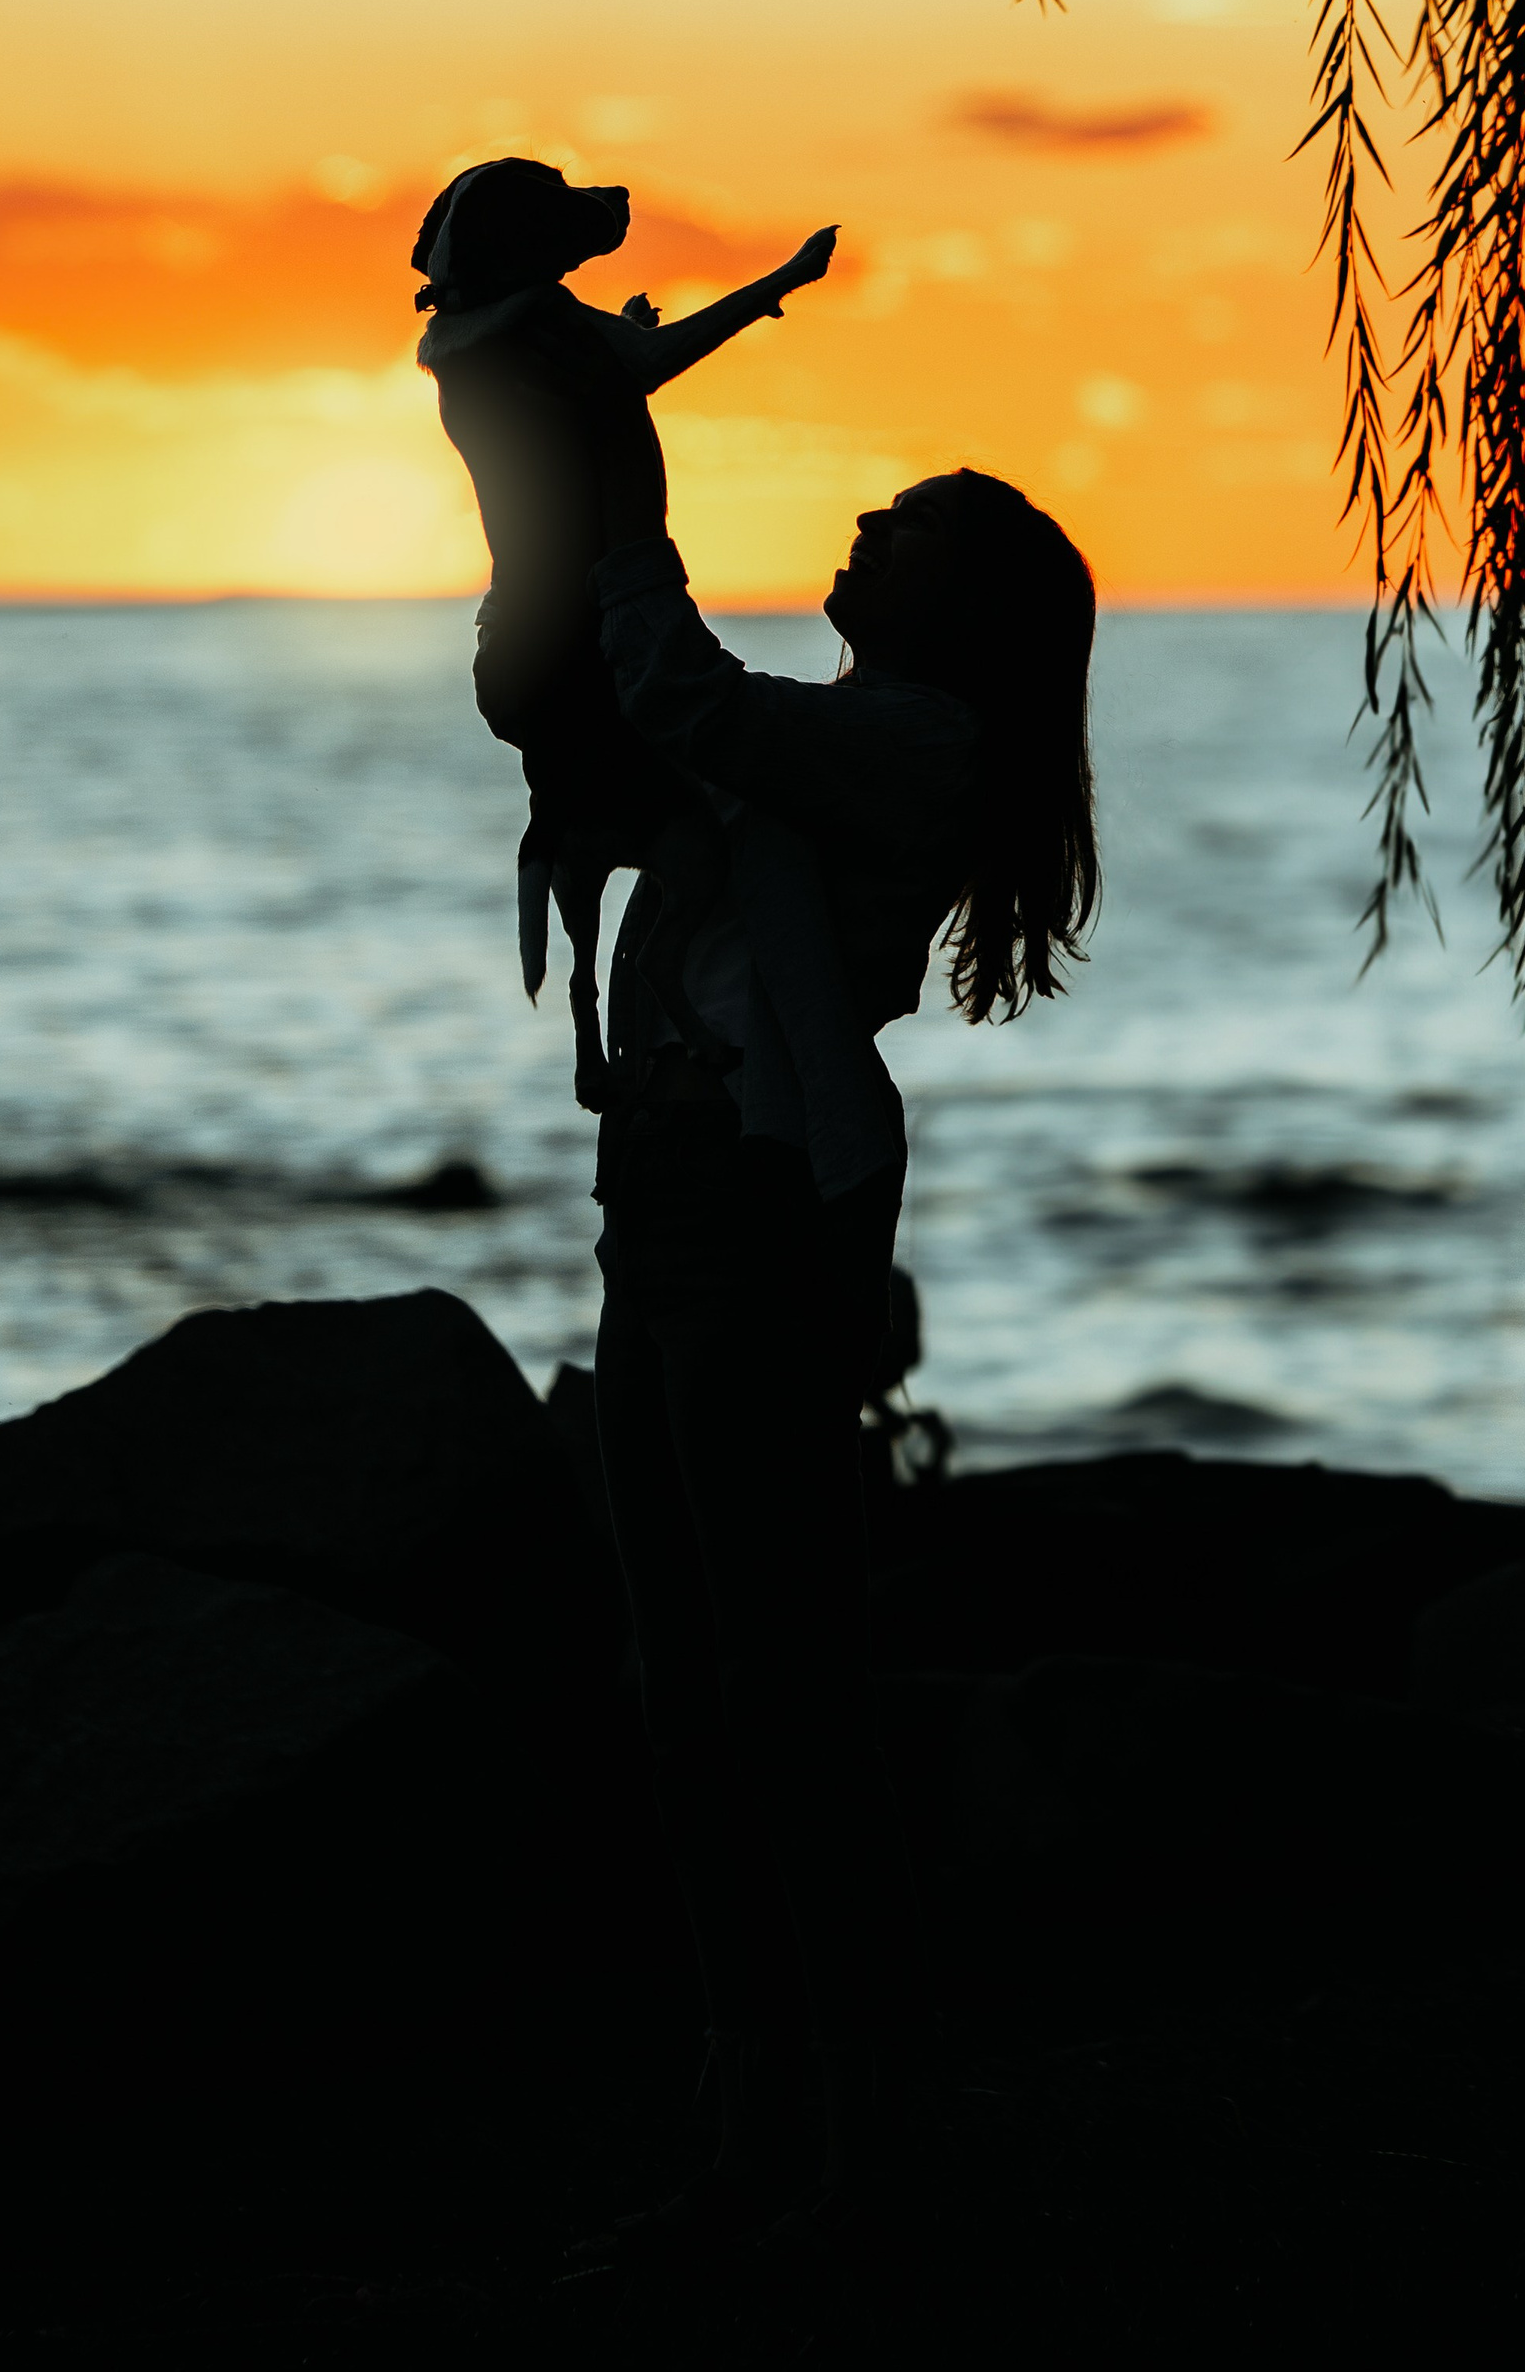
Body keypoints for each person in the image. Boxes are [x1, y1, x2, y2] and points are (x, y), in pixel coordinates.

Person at [579, 435, 1100, 2256]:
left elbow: (685, 701)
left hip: (741, 1206)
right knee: (691, 1687)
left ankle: (848, 2129)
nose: (872, 520)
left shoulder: (911, 744)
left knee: (771, 1693)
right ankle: (768, 2114)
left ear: (969, 610)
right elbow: (651, 731)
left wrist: (615, 508)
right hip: (666, 1194)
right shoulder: (835, 738)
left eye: (916, 526)